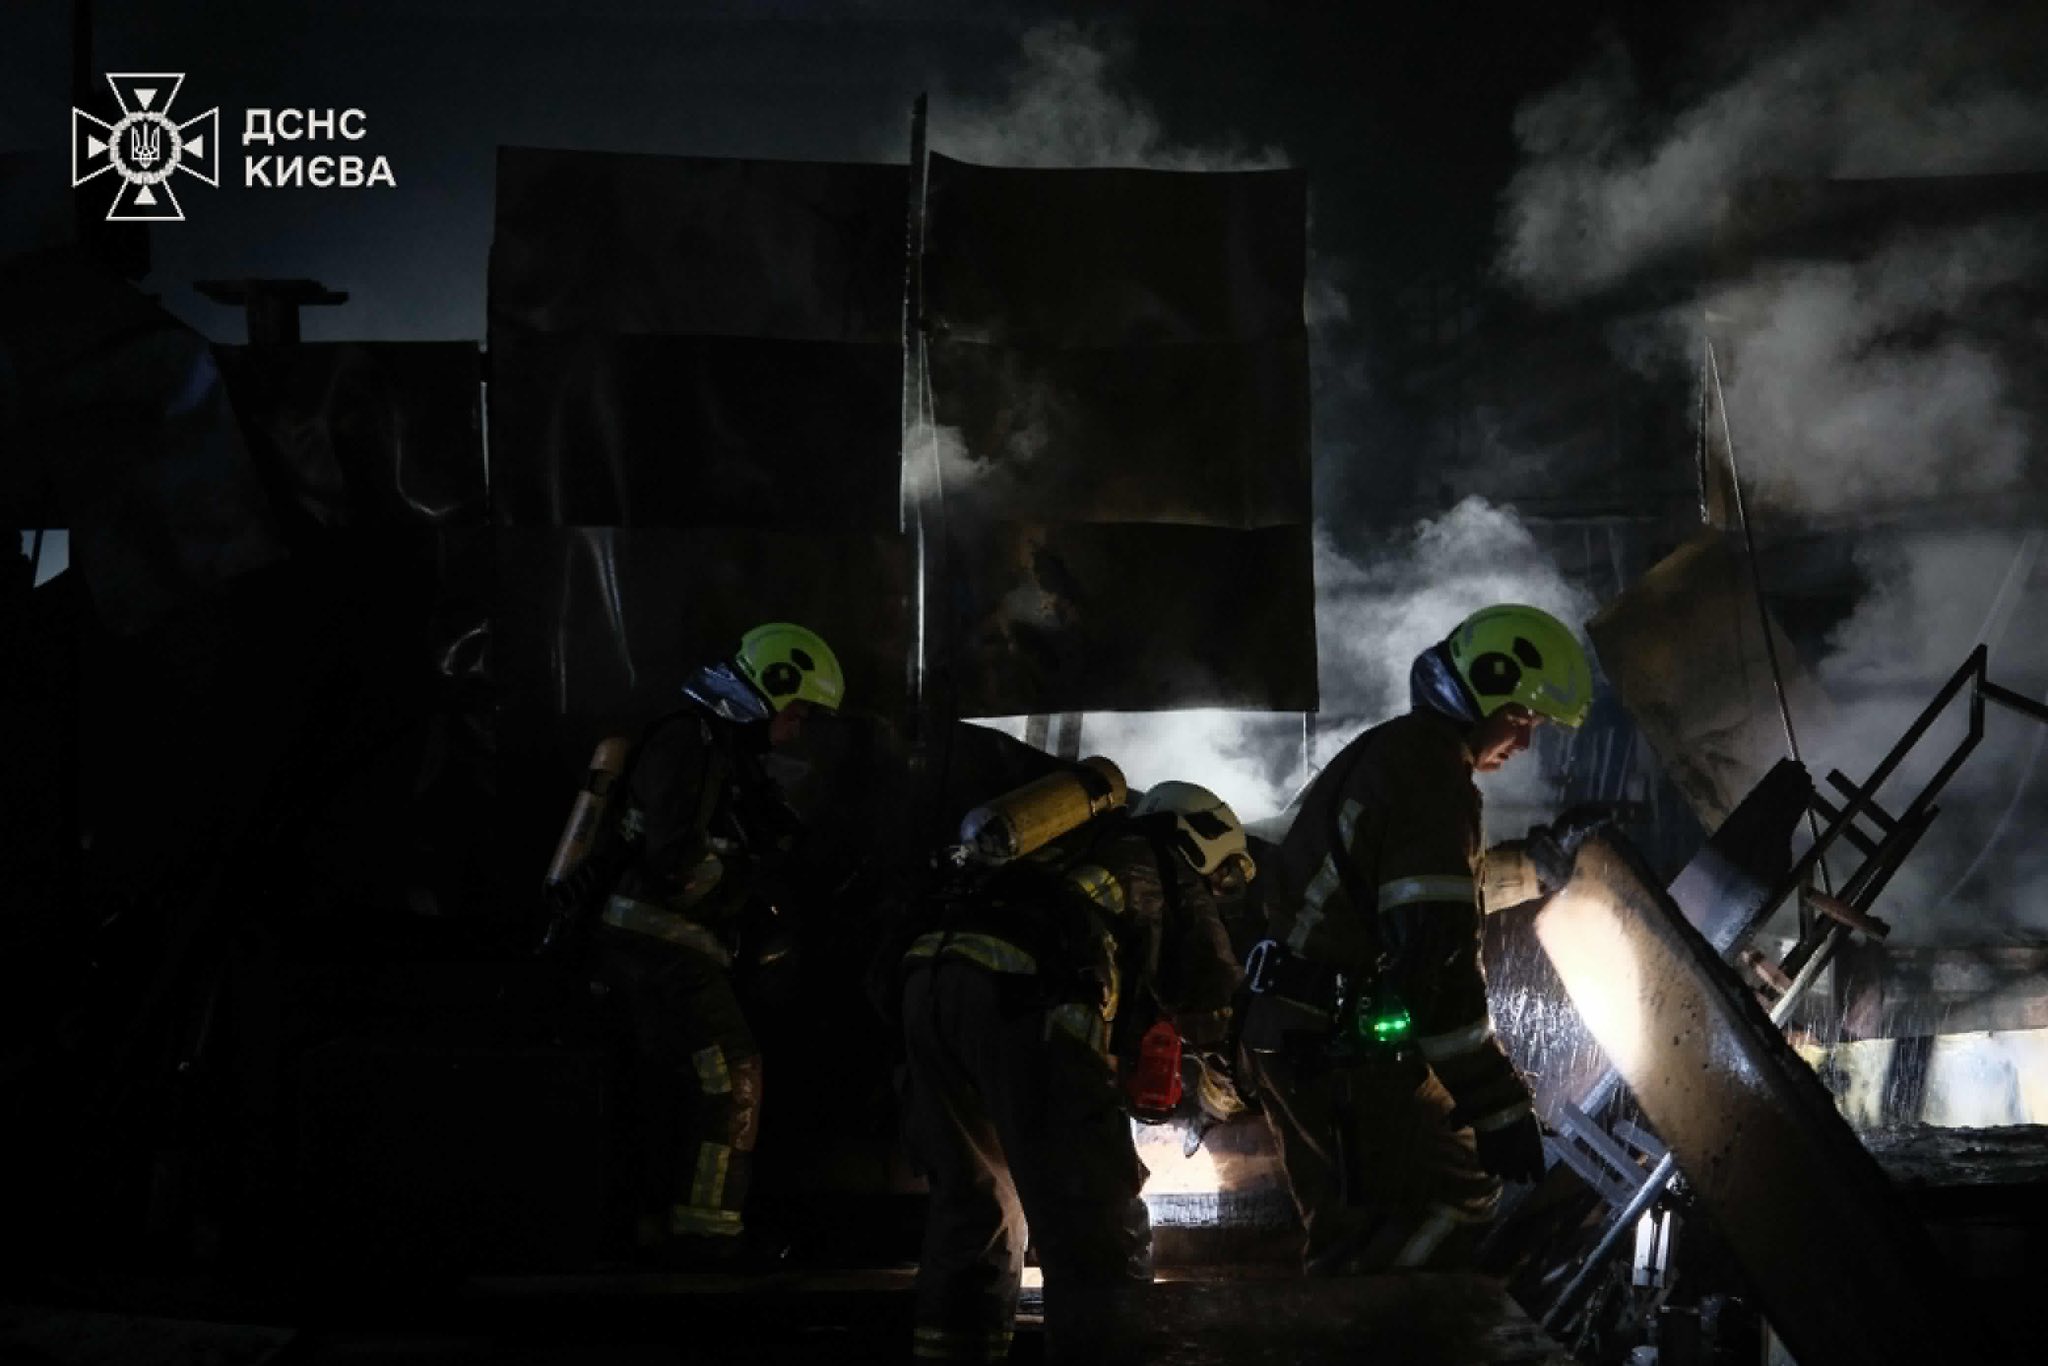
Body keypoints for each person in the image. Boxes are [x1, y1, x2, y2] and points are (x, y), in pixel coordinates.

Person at [1238, 603, 1593, 1274]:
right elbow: (1435, 964)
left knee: (1351, 1233)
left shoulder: (1398, 752)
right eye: (1524, 720)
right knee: (1450, 1202)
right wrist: (1497, 1104)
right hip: (1334, 1049)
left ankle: (1339, 1336)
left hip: (1294, 1031)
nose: (1522, 745)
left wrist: (1539, 865)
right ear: (1485, 690)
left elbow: (1427, 893)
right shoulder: (1432, 774)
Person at [899, 780, 1253, 1364]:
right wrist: (1225, 1096)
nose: (1218, 892)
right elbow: (1213, 1002)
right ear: (1206, 838)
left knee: (974, 1210)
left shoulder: (1060, 850)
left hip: (927, 988)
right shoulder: (1162, 859)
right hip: (1020, 1002)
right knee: (1095, 1224)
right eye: (1224, 877)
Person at [590, 621, 844, 1267]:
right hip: (656, 940)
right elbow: (676, 865)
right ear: (770, 687)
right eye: (798, 712)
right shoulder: (689, 741)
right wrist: (745, 883)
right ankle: (707, 1238)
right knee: (731, 1074)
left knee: (690, 1084)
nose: (797, 729)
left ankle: (671, 1225)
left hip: (673, 945)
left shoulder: (720, 750)